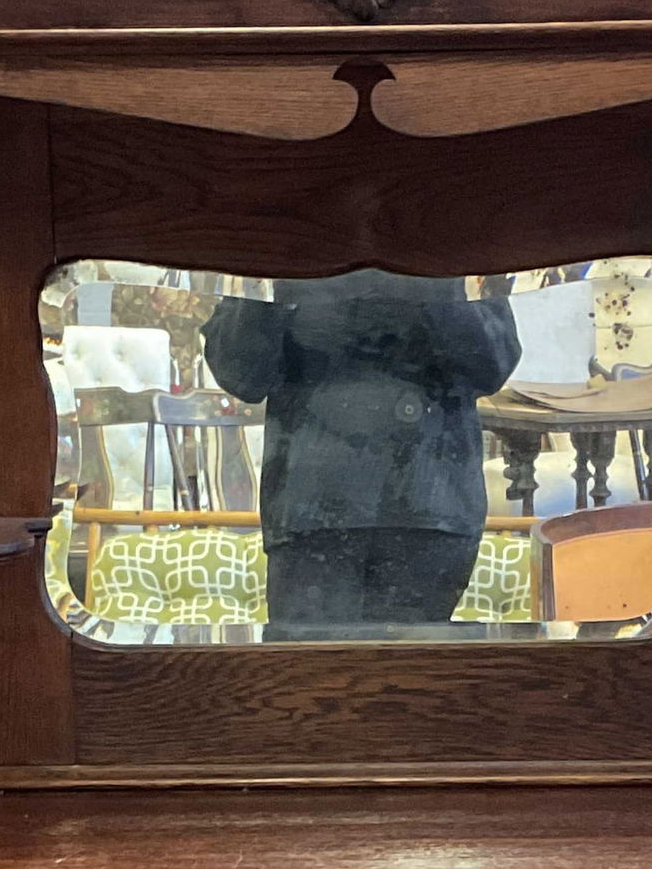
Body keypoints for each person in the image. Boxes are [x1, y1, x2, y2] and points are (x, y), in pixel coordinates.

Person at [201, 270, 520, 634]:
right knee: (315, 666)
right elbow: (240, 373)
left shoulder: (443, 249)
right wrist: (275, 281)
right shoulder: (293, 250)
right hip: (322, 510)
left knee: (406, 667)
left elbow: (492, 365)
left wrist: (434, 281)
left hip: (419, 512)